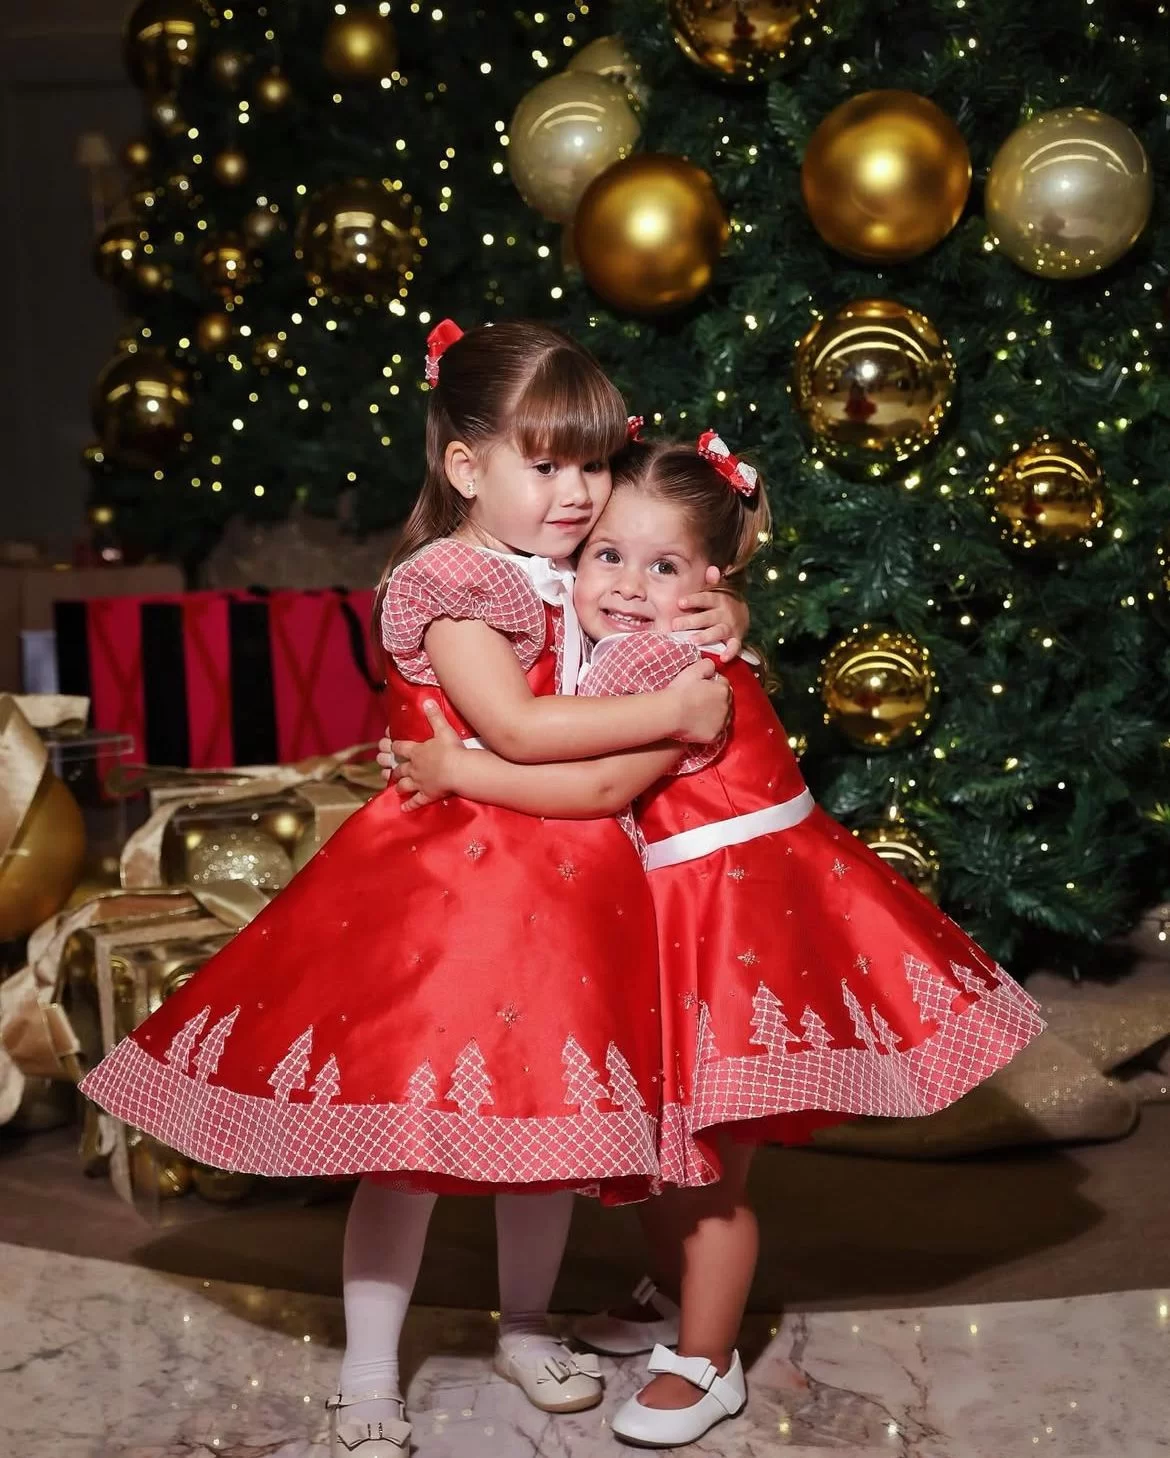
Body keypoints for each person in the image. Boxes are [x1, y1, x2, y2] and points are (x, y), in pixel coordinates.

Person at [80, 324, 746, 1456]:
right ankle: (370, 1369)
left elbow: (653, 601)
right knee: (411, 1152)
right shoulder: (451, 582)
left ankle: (524, 1325)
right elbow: (519, 725)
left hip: (568, 897)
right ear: (468, 467)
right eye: (547, 467)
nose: (580, 494)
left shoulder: (563, 565)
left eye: (592, 464)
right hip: (451, 897)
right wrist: (679, 712)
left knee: (544, 1133)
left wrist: (714, 618)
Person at [388, 430, 1047, 1448]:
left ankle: (708, 1359)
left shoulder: (670, 662)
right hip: (668, 917)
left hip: (736, 928)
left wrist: (460, 772)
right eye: (607, 556)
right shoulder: (605, 628)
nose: (626, 583)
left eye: (664, 567)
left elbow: (603, 785)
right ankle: (674, 1298)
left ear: (711, 577)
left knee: (709, 1172)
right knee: (663, 1147)